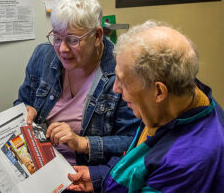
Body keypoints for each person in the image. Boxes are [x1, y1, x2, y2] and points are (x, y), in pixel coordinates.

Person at [67, 20, 224, 192]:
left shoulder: (183, 163)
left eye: (123, 81)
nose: (115, 88)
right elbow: (138, 159)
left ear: (159, 92)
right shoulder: (176, 97)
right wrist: (100, 178)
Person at [14, 0, 139, 166]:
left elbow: (133, 141)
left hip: (82, 173)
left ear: (97, 36)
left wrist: (82, 143)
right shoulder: (43, 55)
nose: (62, 48)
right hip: (40, 163)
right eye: (57, 38)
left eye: (73, 40)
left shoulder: (121, 72)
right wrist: (25, 110)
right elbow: (21, 102)